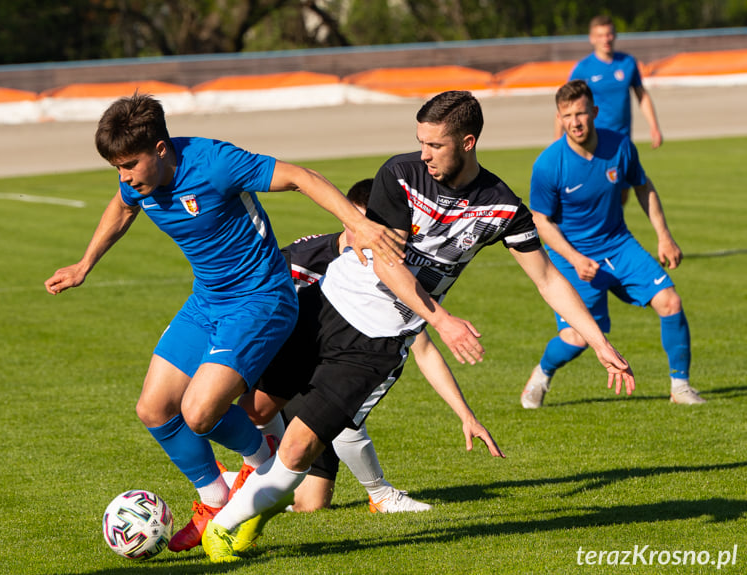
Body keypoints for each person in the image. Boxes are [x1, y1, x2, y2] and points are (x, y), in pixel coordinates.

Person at [200, 90, 636, 563]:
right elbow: (387, 262)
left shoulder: (502, 208)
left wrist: (599, 342)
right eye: (420, 142)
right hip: (322, 307)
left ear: (468, 143)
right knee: (255, 411)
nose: (424, 154)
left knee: (300, 449)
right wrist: (442, 319)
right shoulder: (400, 173)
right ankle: (237, 495)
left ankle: (224, 527)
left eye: (435, 145)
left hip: (375, 344)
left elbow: (548, 279)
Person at [43, 93, 405, 553]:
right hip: (207, 299)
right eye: (116, 168)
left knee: (198, 413)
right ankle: (215, 500)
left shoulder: (216, 162)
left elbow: (299, 177)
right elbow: (122, 207)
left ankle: (265, 459)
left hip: (261, 299)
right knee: (154, 410)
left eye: (129, 165)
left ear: (160, 149)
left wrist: (362, 224)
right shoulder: (137, 180)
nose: (124, 178)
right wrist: (84, 264)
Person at [258, 178, 502, 514]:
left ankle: (246, 484)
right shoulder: (300, 260)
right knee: (343, 412)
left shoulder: (392, 273)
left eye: (378, 228)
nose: (370, 237)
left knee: (310, 505)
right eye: (361, 224)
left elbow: (424, 349)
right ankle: (381, 494)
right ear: (346, 218)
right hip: (285, 379)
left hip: (331, 381)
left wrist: (466, 415)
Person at [522, 79, 702, 409]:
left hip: (619, 245)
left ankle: (681, 387)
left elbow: (644, 187)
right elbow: (541, 222)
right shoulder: (549, 164)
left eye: (580, 113)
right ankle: (542, 375)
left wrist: (664, 236)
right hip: (571, 257)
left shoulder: (620, 146)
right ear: (559, 119)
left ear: (594, 112)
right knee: (578, 338)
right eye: (567, 115)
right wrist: (575, 258)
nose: (575, 122)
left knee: (671, 303)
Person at [558, 14, 663, 150]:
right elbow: (564, 103)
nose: (605, 40)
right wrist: (558, 138)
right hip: (594, 138)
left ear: (614, 35)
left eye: (608, 34)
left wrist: (654, 127)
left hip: (623, 138)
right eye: (600, 36)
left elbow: (642, 96)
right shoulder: (583, 68)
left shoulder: (628, 62)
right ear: (592, 38)